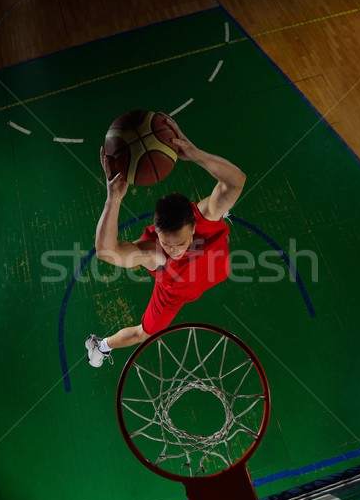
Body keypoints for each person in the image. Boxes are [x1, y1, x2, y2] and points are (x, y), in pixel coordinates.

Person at [85, 115, 246, 367]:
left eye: (179, 244)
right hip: (174, 294)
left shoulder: (205, 218)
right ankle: (101, 345)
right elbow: (106, 252)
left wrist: (195, 154)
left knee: (220, 206)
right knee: (143, 333)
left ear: (193, 227)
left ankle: (219, 216)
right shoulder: (156, 252)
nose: (173, 250)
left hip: (210, 270)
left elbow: (237, 180)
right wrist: (112, 198)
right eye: (166, 243)